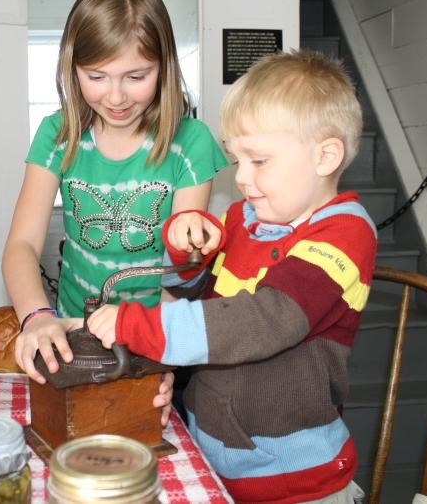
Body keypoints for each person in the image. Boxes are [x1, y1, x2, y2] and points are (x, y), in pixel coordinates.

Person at [86, 49, 378, 503]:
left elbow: (261, 321)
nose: (240, 177)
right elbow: (201, 300)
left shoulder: (345, 233)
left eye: (258, 160)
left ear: (325, 156)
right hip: (216, 458)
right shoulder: (244, 219)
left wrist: (144, 326)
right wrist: (187, 257)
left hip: (296, 483)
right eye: (235, 159)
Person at [2, 0, 227, 414]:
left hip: (154, 336)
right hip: (72, 333)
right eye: (97, 76)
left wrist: (163, 356)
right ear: (73, 68)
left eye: (136, 75)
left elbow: (177, 279)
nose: (117, 96)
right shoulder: (57, 135)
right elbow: (21, 245)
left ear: (165, 66)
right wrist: (36, 317)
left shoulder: (191, 143)